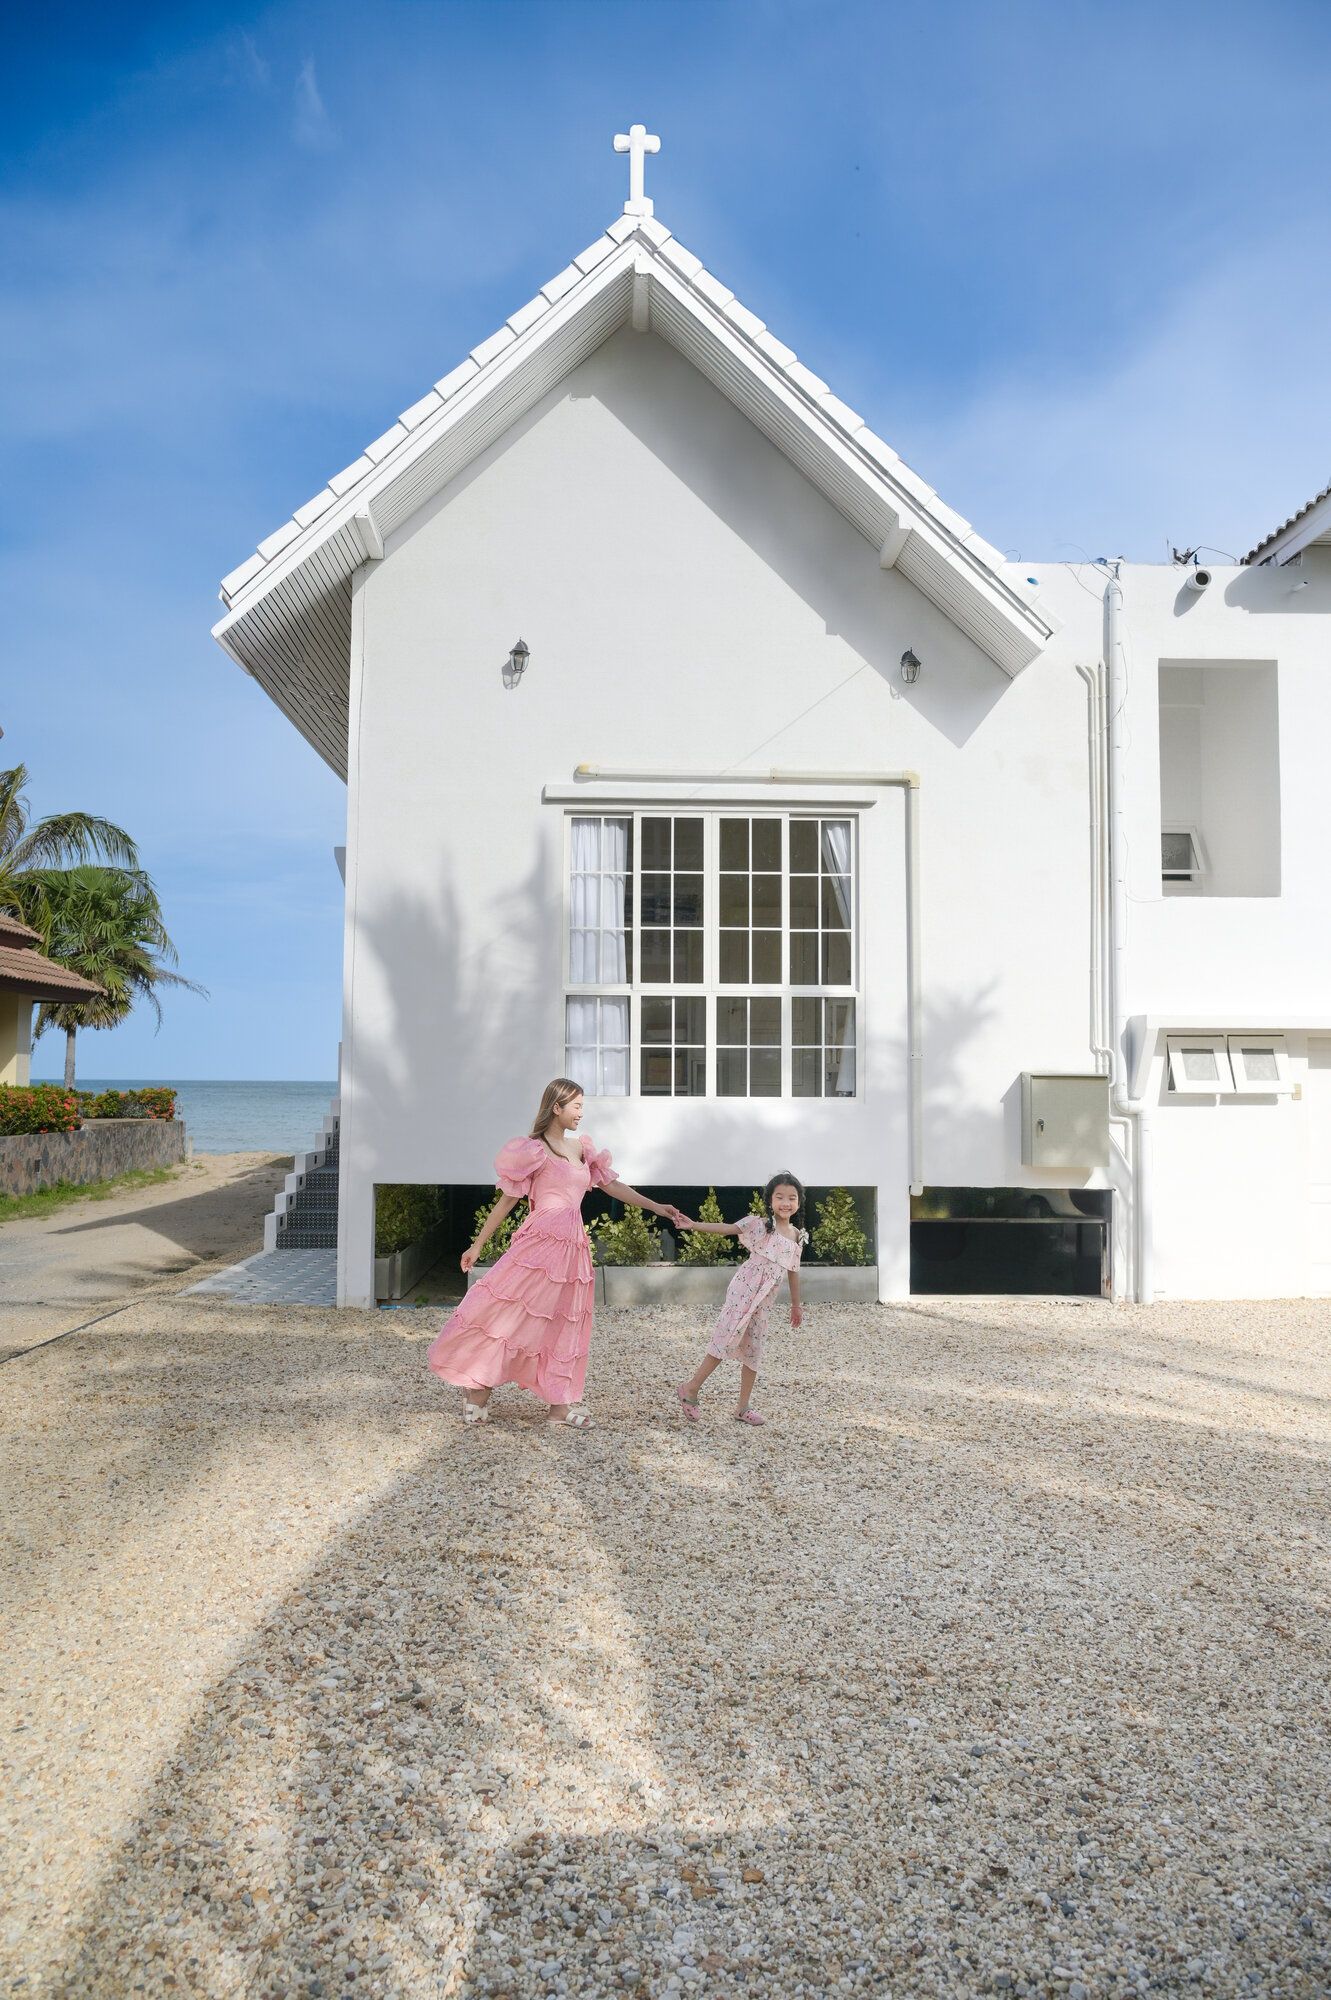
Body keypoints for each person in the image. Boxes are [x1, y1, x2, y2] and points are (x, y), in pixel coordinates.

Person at [427, 1077, 676, 1428]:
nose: (580, 1113)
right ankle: (478, 1384)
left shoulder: (581, 1149)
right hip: (539, 1245)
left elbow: (613, 1186)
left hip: (572, 1250)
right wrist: (478, 1244)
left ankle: (559, 1406)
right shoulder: (533, 1150)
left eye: (582, 1106)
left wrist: (658, 1206)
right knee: (508, 1313)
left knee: (564, 1324)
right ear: (556, 1107)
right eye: (575, 1106)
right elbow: (507, 1202)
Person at [673, 1173, 806, 1426]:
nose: (785, 1203)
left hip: (765, 1300)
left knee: (754, 1349)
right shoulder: (759, 1225)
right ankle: (690, 1389)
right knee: (726, 1337)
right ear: (770, 1200)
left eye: (791, 1198)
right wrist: (694, 1225)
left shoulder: (796, 1235)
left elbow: (793, 1271)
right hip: (744, 1291)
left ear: (799, 1202)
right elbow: (727, 1228)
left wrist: (796, 1305)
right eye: (780, 1197)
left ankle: (742, 1408)